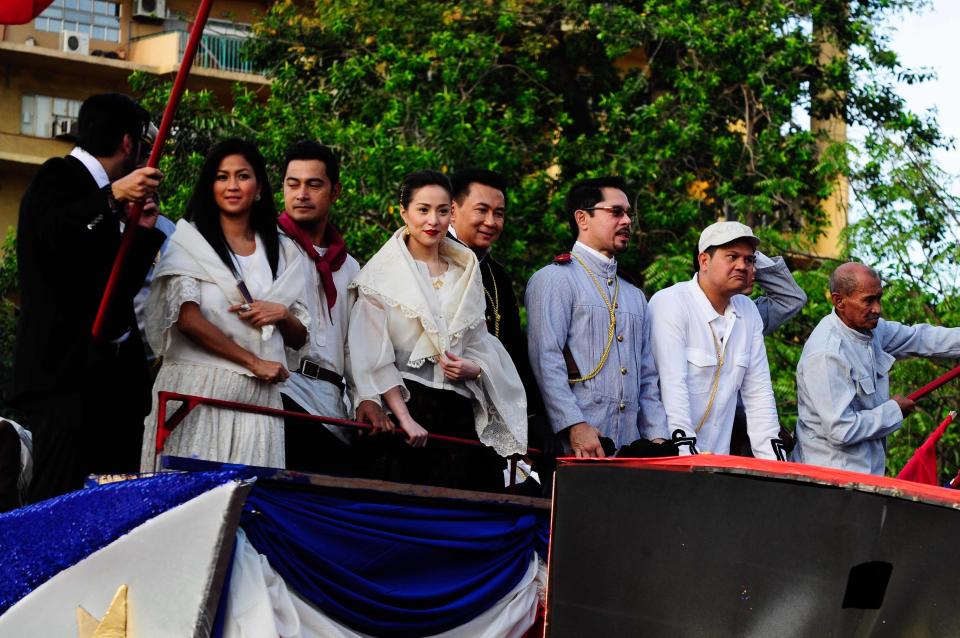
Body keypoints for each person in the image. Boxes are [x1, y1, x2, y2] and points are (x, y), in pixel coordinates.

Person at [13, 93, 166, 501]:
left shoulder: (121, 202)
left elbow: (117, 285)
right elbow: (56, 236)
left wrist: (143, 231)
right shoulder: (58, 176)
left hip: (114, 383)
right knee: (58, 498)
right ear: (128, 143)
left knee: (110, 505)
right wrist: (112, 196)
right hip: (65, 376)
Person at [348, 170, 527, 491]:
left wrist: (476, 368)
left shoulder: (466, 269)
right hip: (408, 407)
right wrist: (404, 418)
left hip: (458, 414)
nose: (433, 220)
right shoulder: (381, 274)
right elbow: (373, 354)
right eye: (423, 210)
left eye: (441, 211)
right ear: (404, 212)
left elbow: (481, 344)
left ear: (451, 213)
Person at [140, 138, 309, 470]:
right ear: (210, 186)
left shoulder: (284, 250)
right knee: (183, 507)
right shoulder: (187, 241)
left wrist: (282, 313)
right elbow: (187, 319)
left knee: (250, 509)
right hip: (196, 394)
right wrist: (253, 363)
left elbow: (300, 336)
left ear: (259, 186)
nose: (232, 186)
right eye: (222, 177)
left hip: (260, 403)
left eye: (242, 176)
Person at [525, 176, 669, 458]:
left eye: (629, 213)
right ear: (583, 218)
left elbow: (648, 379)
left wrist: (658, 437)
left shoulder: (634, 295)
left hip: (629, 449)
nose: (627, 221)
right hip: (575, 448)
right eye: (616, 212)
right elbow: (546, 359)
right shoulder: (555, 279)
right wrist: (574, 424)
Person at [276, 141, 390, 474]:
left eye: (314, 184)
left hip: (331, 403)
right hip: (284, 394)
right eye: (292, 184)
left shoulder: (351, 267)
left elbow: (357, 346)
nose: (301, 194)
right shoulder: (267, 248)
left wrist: (366, 396)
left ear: (335, 191)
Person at [793, 262, 960, 475]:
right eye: (868, 301)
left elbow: (920, 338)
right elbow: (841, 429)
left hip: (867, 475)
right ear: (839, 301)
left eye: (879, 298)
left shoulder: (871, 329)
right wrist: (893, 411)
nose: (878, 309)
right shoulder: (826, 353)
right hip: (831, 480)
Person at [648, 221, 783, 458]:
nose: (742, 266)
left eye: (749, 260)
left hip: (718, 460)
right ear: (704, 261)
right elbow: (672, 388)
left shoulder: (748, 311)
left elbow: (759, 393)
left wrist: (777, 464)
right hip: (669, 457)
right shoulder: (670, 303)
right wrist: (685, 454)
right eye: (732, 257)